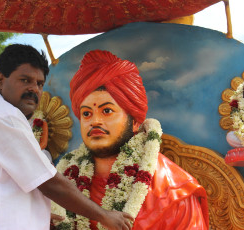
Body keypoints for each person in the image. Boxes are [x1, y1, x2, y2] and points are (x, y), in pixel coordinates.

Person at [0, 44, 133, 230]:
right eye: (25, 80)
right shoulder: (2, 116)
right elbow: (49, 182)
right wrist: (103, 215)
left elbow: (1, 185)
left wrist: (34, 212)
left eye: (39, 84)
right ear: (0, 80)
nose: (34, 89)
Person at [51, 50, 209, 229]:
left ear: (134, 122)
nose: (95, 121)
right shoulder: (64, 182)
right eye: (86, 113)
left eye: (107, 111)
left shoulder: (174, 193)